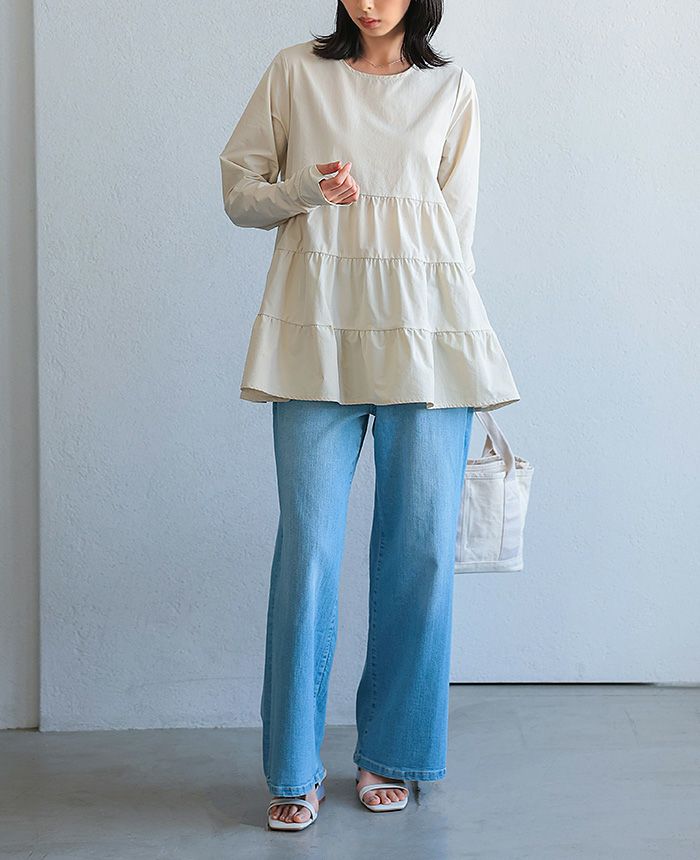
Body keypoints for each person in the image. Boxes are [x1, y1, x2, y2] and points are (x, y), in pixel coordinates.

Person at [218, 0, 521, 831]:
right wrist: (305, 190)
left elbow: (456, 234)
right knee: (308, 551)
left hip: (426, 332)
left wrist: (459, 340)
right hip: (314, 329)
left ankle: (393, 753)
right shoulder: (295, 72)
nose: (369, 1)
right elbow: (240, 196)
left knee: (418, 550)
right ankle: (293, 768)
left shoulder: (452, 88)